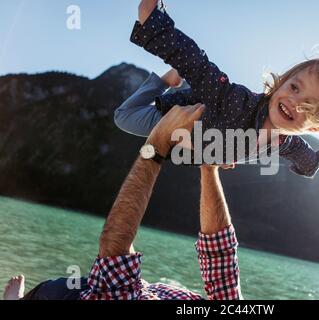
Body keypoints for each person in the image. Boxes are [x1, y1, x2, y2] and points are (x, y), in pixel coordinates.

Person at [3, 104, 242, 300]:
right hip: (135, 287)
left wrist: (157, 144)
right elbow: (219, 253)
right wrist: (208, 167)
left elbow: (114, 250)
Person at [115, 0, 319, 177]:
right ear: (282, 82)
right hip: (182, 116)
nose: (293, 102)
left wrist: (314, 163)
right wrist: (154, 25)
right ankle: (168, 81)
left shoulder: (286, 142)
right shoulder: (236, 102)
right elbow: (198, 64)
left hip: (198, 145)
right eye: (295, 87)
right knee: (123, 118)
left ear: (315, 127)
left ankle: (187, 85)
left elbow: (304, 157)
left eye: (307, 108)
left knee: (166, 151)